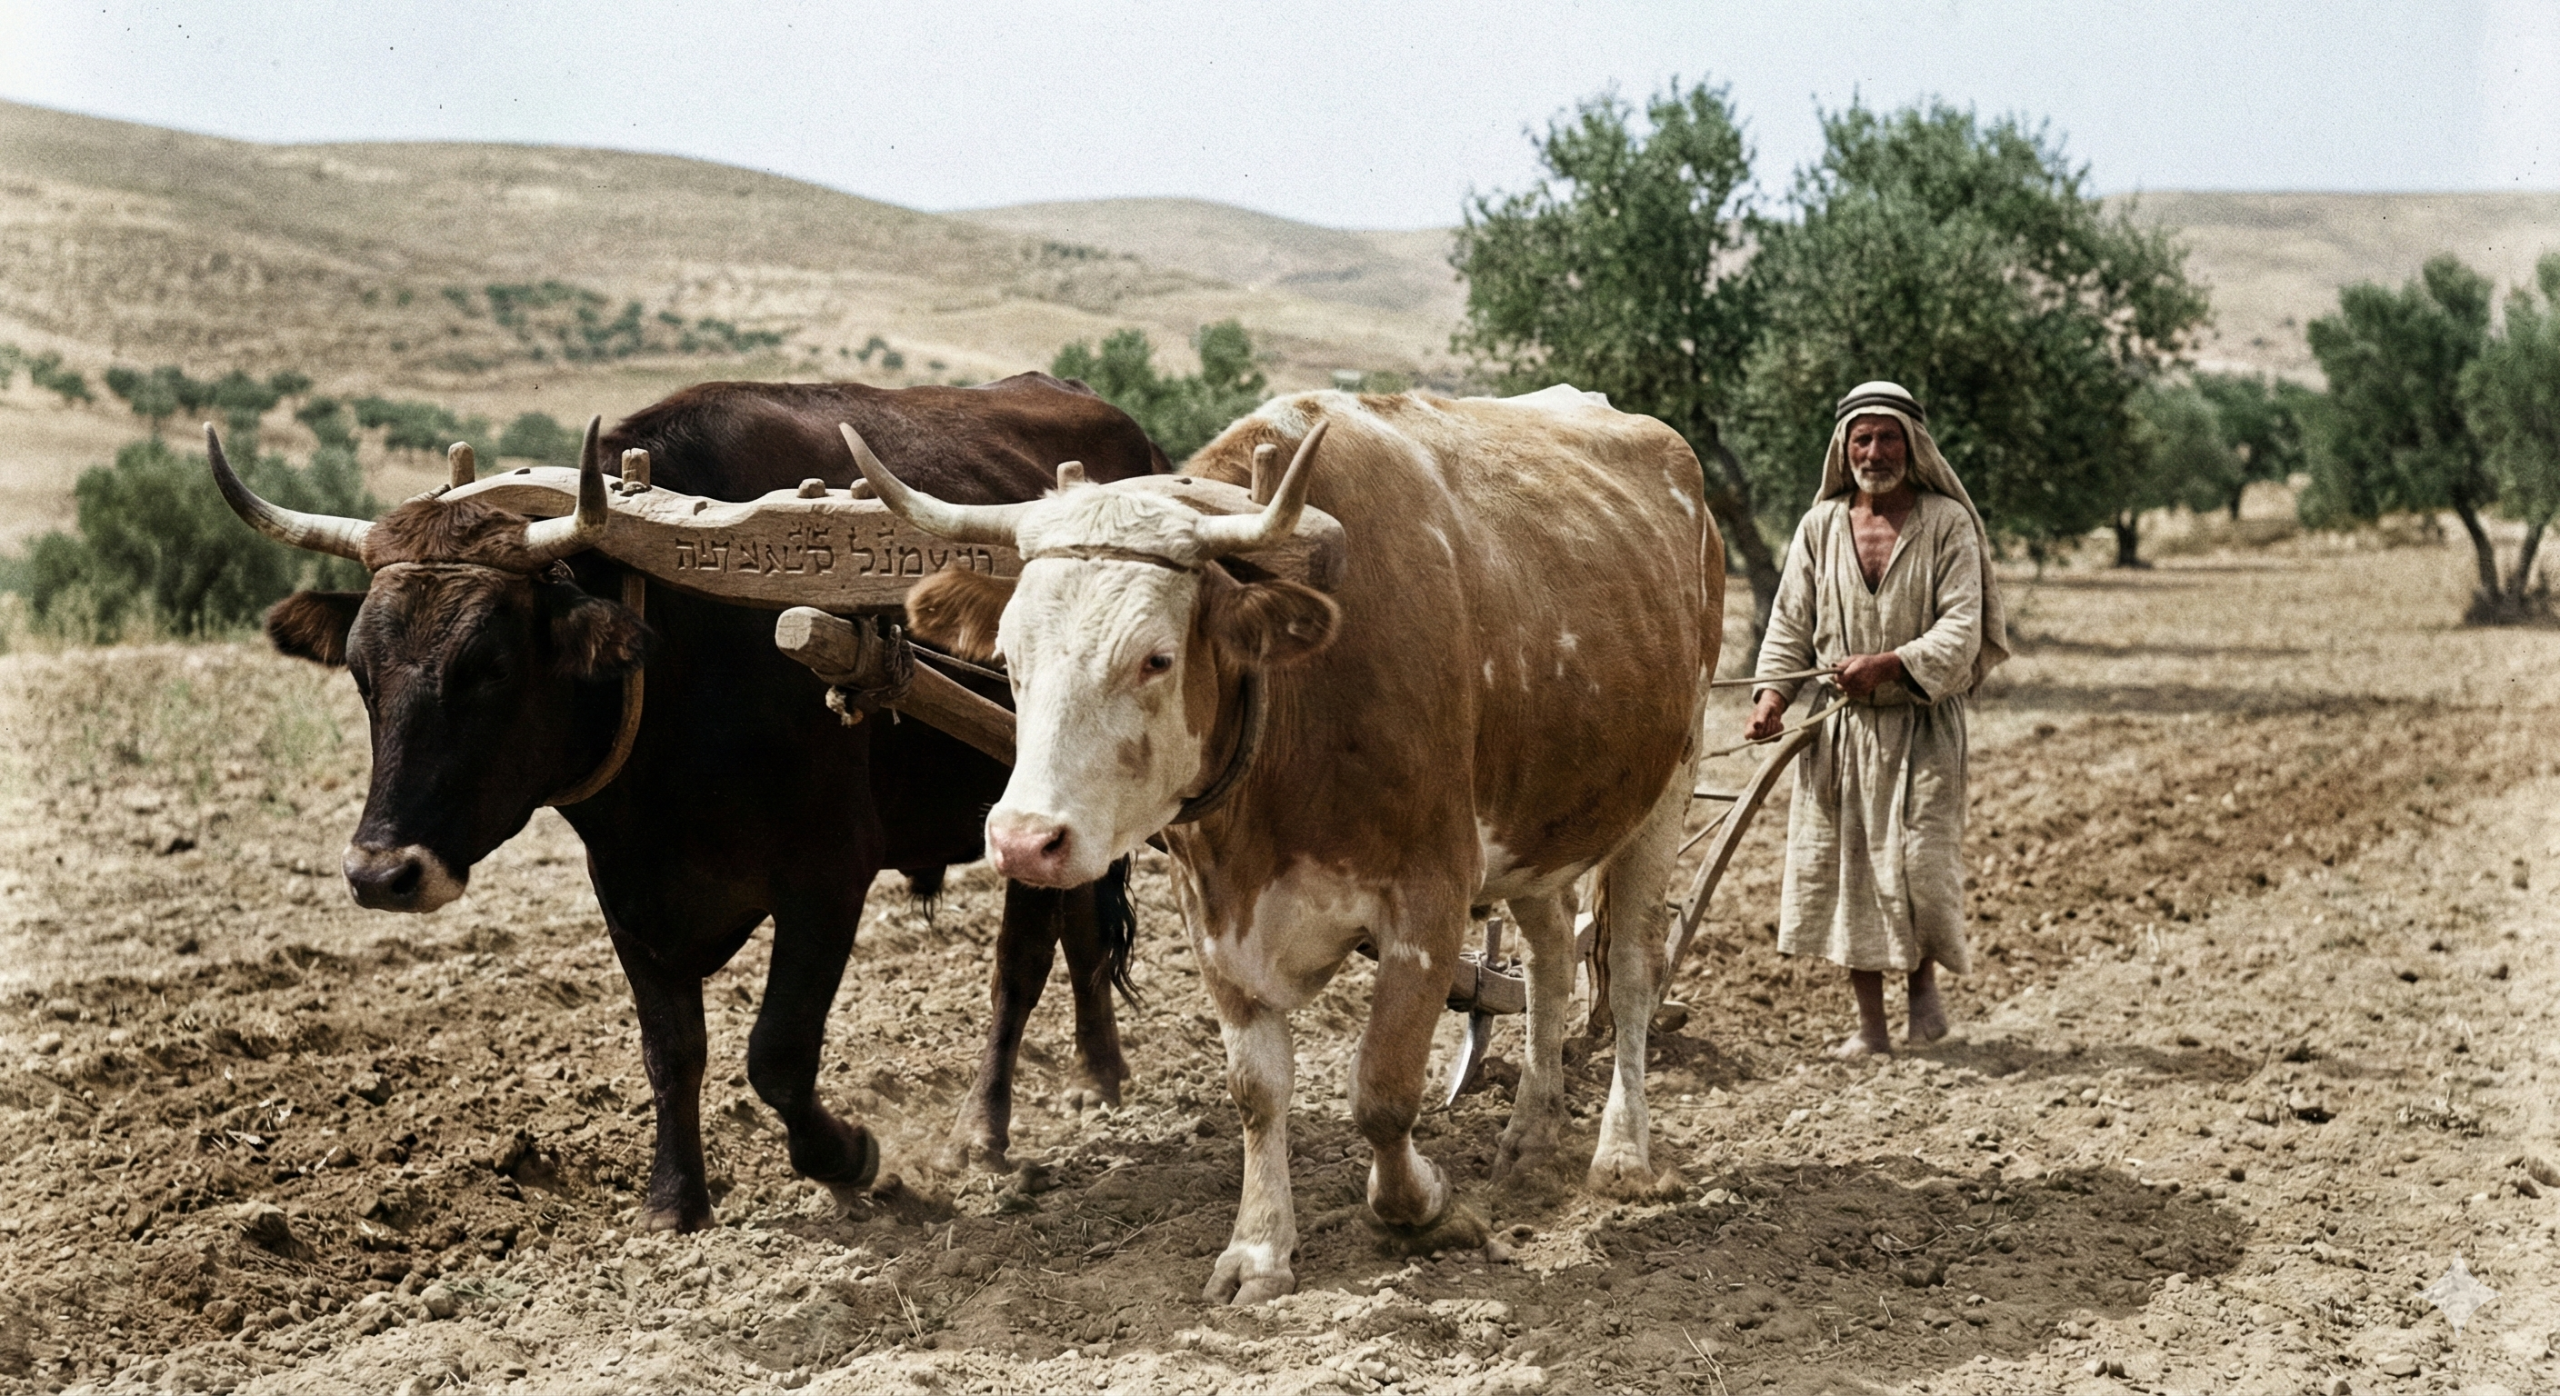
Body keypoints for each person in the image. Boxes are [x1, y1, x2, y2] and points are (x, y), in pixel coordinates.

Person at [1744, 381, 2010, 1057]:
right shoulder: (1820, 526)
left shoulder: (1946, 522)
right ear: (1843, 448)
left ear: (1913, 445)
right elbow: (1790, 623)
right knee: (1849, 870)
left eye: (1888, 437)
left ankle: (1924, 1001)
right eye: (1861, 439)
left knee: (1920, 864)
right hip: (1840, 731)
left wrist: (1890, 664)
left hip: (1922, 723)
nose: (1874, 452)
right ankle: (1870, 1027)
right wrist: (1771, 699)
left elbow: (1962, 625)